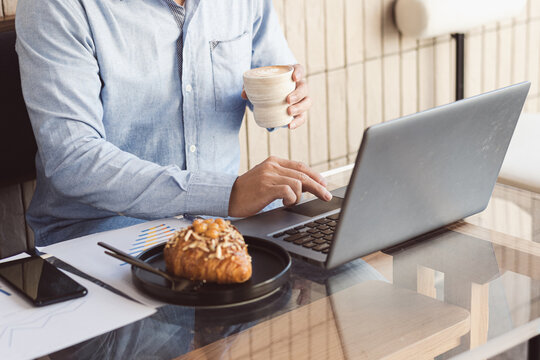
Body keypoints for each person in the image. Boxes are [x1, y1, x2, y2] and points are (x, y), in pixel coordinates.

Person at [16, 0, 332, 246]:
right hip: (103, 231)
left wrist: (289, 99)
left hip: (225, 221)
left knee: (346, 275)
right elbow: (73, 160)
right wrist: (227, 193)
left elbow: (271, 71)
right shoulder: (57, 6)